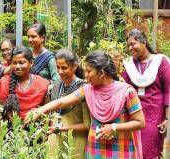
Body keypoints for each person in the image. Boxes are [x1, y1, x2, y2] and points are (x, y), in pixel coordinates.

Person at [25, 51, 145, 159]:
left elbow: (140, 122)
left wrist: (114, 127)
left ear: (101, 73)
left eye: (88, 71)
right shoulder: (87, 90)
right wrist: (39, 111)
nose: (85, 75)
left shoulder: (127, 91)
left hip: (120, 151)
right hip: (94, 151)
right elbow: (61, 102)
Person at [122, 28, 170, 159]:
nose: (130, 48)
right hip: (134, 115)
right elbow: (122, 87)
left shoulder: (160, 62)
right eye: (128, 46)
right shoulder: (127, 65)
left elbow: (168, 90)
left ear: (143, 42)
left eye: (133, 44)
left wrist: (167, 118)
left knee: (149, 152)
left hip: (154, 117)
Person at [46, 48, 90, 159]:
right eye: (58, 67)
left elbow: (87, 125)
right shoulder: (56, 85)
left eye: (64, 68)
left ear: (75, 66)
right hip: (55, 140)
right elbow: (52, 116)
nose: (60, 71)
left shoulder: (83, 88)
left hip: (75, 142)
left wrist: (63, 129)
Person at [0, 46, 50, 121]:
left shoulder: (42, 83)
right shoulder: (4, 82)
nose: (17, 66)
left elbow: (47, 113)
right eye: (14, 63)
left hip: (35, 129)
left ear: (31, 63)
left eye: (21, 63)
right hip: (7, 129)